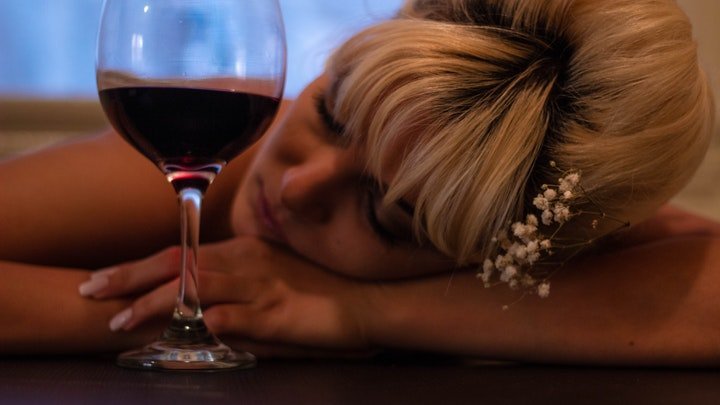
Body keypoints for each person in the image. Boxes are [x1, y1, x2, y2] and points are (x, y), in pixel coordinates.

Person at [1, 0, 718, 365]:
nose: (296, 187)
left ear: (491, 261)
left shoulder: (528, 230)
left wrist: (355, 312)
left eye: (384, 217)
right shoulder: (216, 140)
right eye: (331, 112)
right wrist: (196, 312)